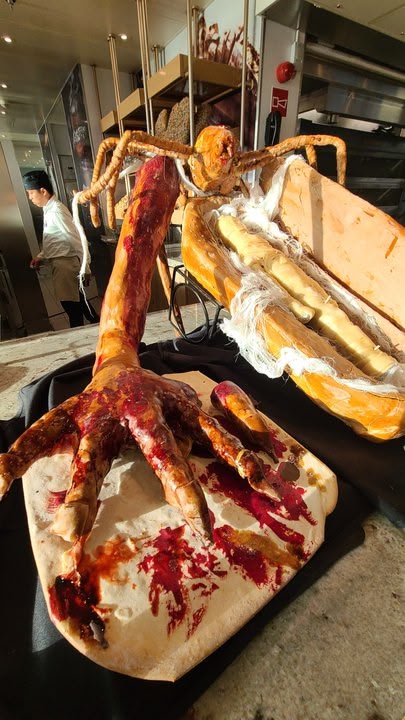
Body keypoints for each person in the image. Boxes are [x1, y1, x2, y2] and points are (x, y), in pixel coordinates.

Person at [23, 170, 99, 328]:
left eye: (31, 193)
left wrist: (86, 268)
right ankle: (97, 324)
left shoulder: (57, 210)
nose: (30, 198)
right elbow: (55, 240)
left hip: (65, 266)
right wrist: (41, 256)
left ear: (43, 191)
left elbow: (77, 240)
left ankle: (78, 336)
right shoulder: (49, 209)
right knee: (79, 302)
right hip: (60, 264)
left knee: (72, 308)